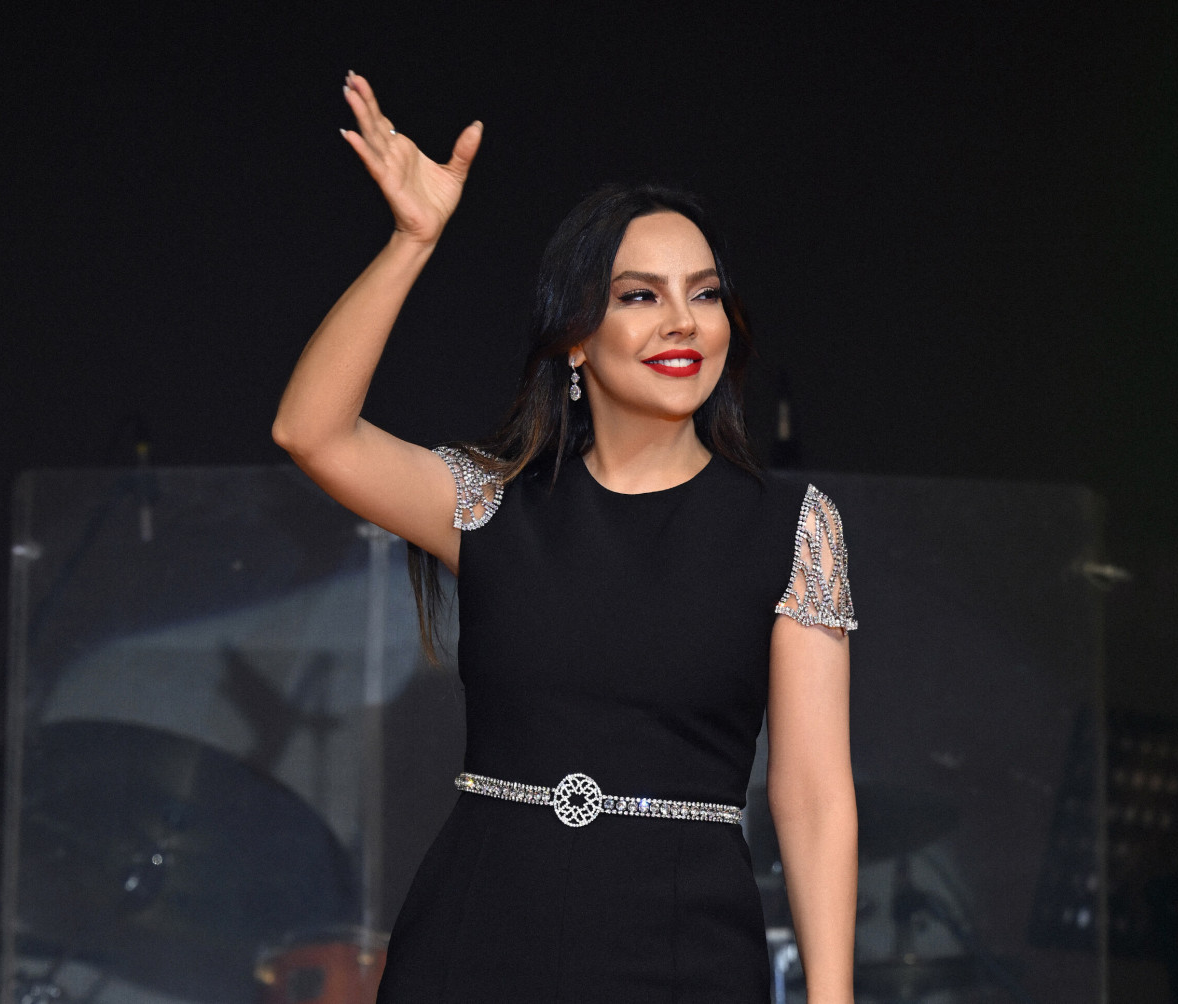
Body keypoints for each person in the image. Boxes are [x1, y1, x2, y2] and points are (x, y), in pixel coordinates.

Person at [273, 71, 859, 1004]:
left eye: (705, 294)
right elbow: (311, 433)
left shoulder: (793, 527)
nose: (682, 322)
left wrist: (832, 998)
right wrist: (411, 241)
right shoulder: (492, 501)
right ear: (576, 339)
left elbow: (815, 795)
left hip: (687, 956)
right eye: (639, 296)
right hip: (474, 945)